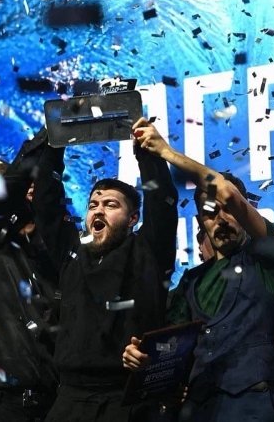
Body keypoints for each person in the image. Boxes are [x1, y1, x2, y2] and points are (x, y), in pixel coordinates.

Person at [122, 122, 274, 421]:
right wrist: (143, 359)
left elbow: (227, 193)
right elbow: (173, 349)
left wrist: (166, 152)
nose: (220, 219)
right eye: (209, 213)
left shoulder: (267, 258)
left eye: (228, 210)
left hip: (255, 408)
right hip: (201, 409)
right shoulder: (191, 282)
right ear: (200, 222)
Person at [44, 118, 179, 422]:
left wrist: (147, 152)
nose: (99, 210)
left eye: (111, 205)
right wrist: (54, 143)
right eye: (93, 204)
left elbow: (162, 202)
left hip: (124, 400)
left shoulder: (148, 252)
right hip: (69, 401)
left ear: (133, 219)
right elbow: (47, 205)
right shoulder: (71, 254)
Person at [0, 129, 77, 422]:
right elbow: (6, 195)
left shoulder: (60, 249)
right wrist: (51, 131)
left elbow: (49, 198)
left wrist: (56, 148)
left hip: (48, 407)